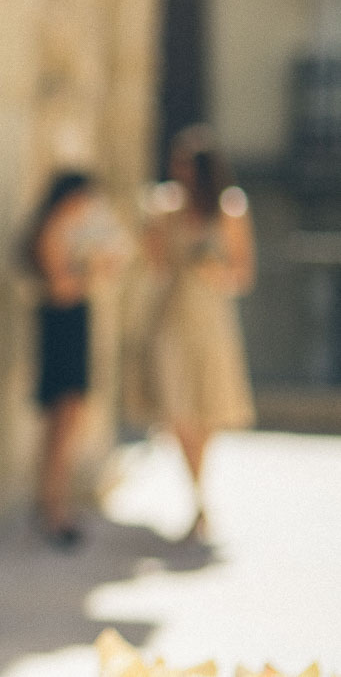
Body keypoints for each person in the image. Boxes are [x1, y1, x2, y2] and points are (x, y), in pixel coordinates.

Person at [142, 124, 256, 541]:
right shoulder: (166, 206)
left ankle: (198, 495)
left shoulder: (230, 208)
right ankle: (198, 496)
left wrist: (214, 269)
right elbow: (155, 266)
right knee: (176, 409)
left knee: (207, 408)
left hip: (210, 321)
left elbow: (242, 274)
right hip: (172, 318)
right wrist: (152, 226)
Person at [23, 170, 128, 549]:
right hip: (62, 330)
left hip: (72, 327)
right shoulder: (53, 230)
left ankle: (55, 505)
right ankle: (53, 511)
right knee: (62, 424)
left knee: (68, 424)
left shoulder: (67, 230)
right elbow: (61, 287)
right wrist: (92, 267)